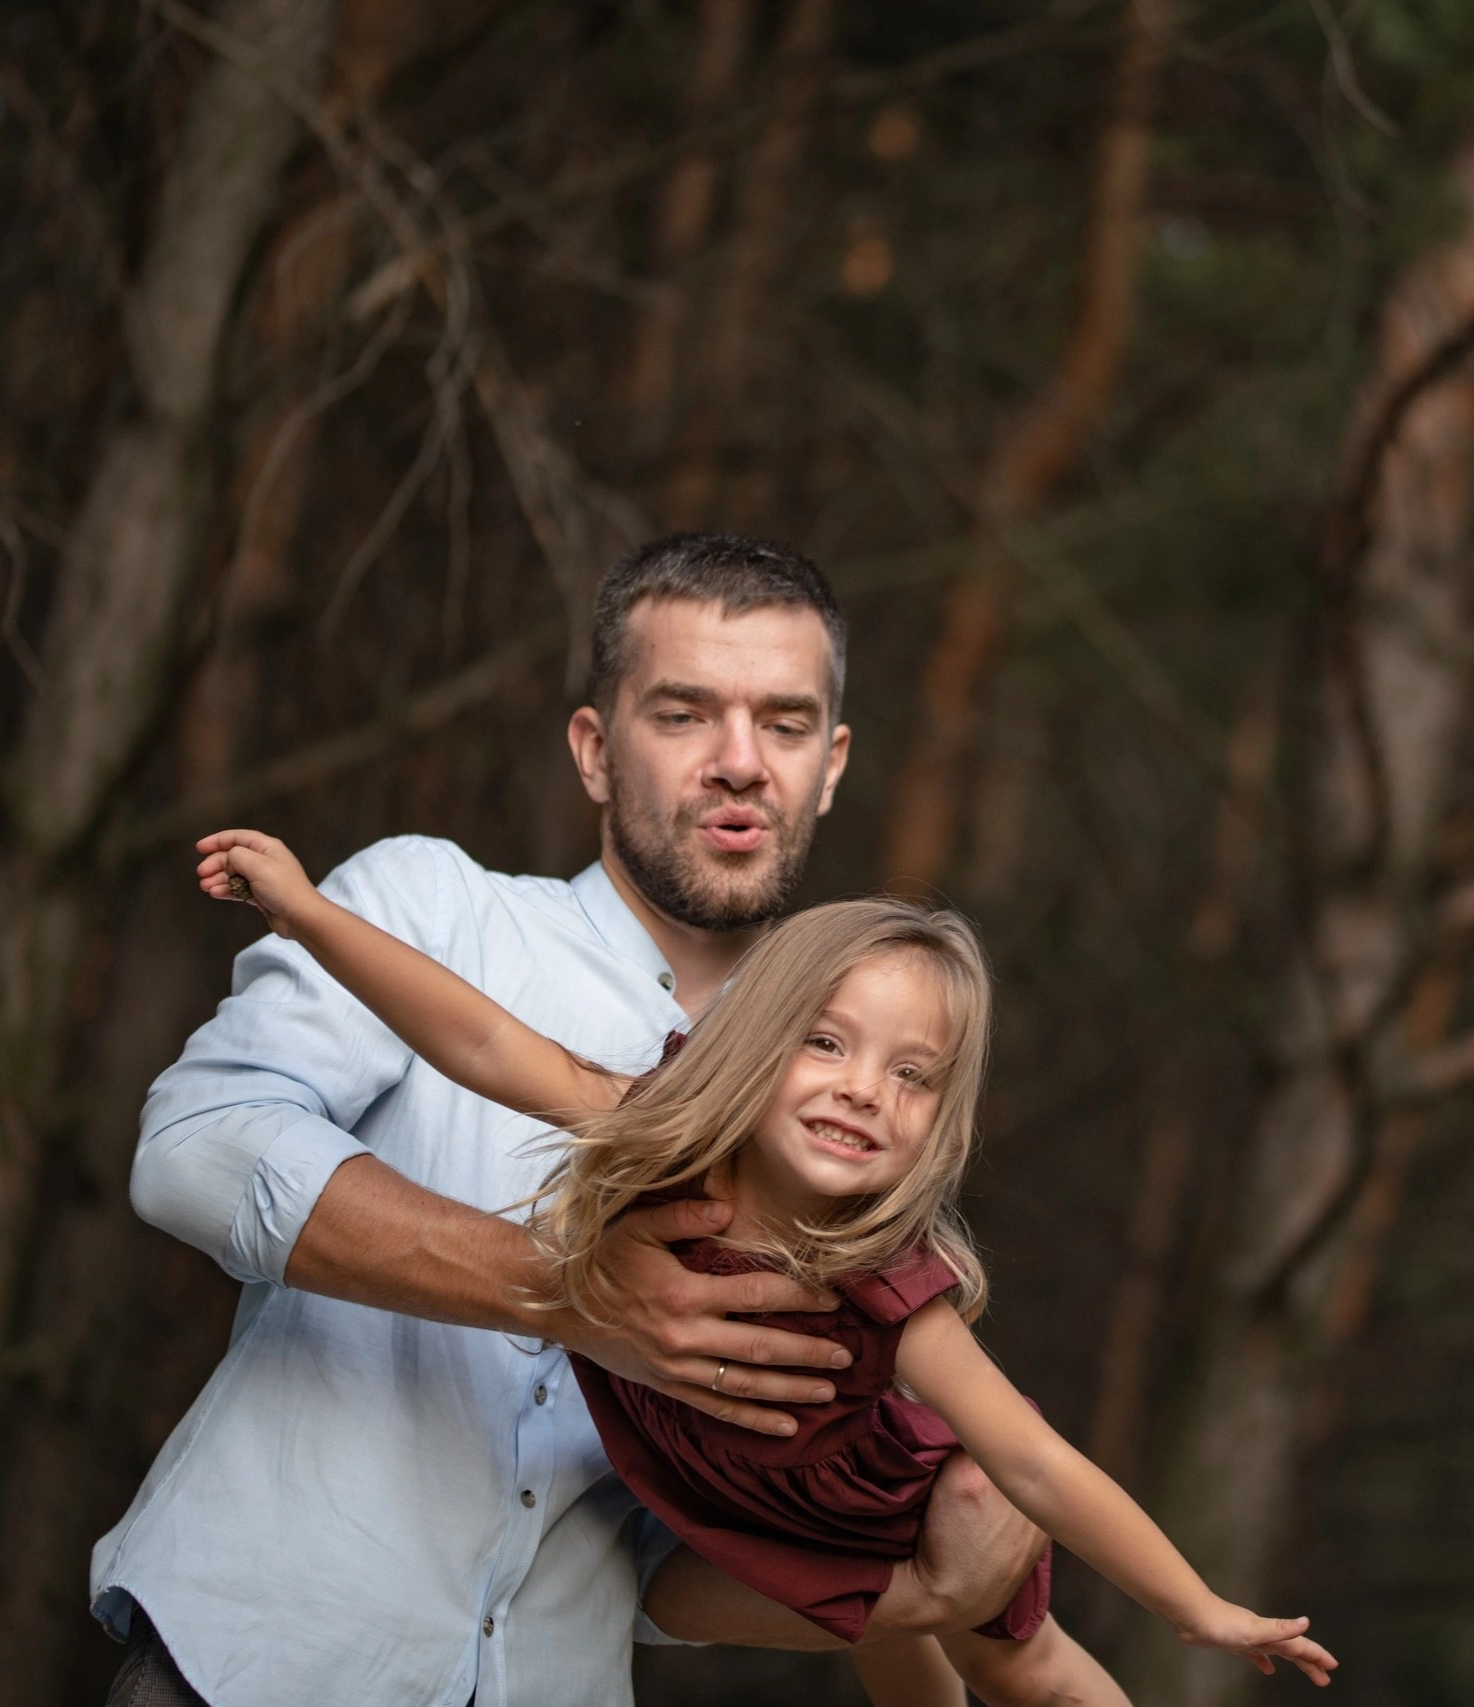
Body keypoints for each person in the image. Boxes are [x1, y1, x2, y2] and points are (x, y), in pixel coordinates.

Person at [92, 536, 1044, 1707]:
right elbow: (195, 1146)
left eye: (785, 725)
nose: (740, 763)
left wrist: (920, 1597)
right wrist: (566, 1292)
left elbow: (661, 1566)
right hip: (251, 1668)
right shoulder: (429, 910)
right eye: (685, 714)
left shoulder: (845, 1119)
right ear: (594, 749)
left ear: (832, 765)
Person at [190, 836, 1340, 1705]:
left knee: (1034, 1670)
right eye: (828, 1044)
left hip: (884, 1503)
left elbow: (1032, 1459)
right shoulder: (661, 1143)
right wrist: (303, 912)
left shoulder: (887, 1279)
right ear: (755, 1040)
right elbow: (480, 1039)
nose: (861, 1090)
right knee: (822, 1628)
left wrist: (1200, 1609)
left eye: (912, 1076)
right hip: (742, 1527)